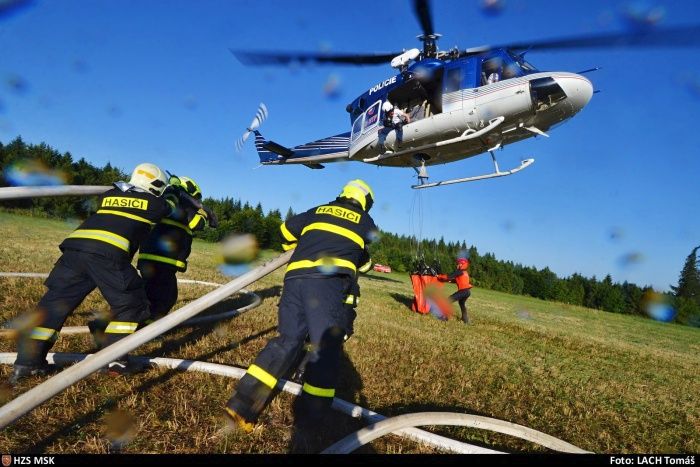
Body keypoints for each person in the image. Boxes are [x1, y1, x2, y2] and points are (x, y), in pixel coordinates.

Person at [224, 179, 377, 435]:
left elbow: (285, 232)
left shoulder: (318, 210)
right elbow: (364, 264)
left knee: (287, 341)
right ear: (365, 203)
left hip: (294, 279)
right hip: (326, 283)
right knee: (325, 348)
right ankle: (312, 418)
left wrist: (302, 248)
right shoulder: (364, 221)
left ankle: (242, 406)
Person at [10, 163, 185, 384]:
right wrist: (175, 191)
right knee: (132, 304)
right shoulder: (156, 204)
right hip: (107, 255)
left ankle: (27, 363)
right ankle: (115, 360)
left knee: (54, 304)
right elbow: (171, 205)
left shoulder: (108, 195)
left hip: (75, 249)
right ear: (157, 186)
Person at [136, 175, 212, 322]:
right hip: (164, 261)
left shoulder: (166, 201)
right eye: (197, 199)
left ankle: (138, 321)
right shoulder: (184, 204)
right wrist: (204, 212)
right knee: (166, 297)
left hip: (149, 258)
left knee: (148, 292)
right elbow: (196, 224)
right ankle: (147, 328)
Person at [437, 257, 473, 324]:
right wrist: (447, 280)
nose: (457, 265)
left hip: (462, 291)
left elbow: (448, 276)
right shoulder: (465, 272)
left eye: (458, 264)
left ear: (461, 264)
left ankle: (445, 317)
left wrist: (439, 276)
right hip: (467, 292)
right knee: (461, 303)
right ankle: (465, 319)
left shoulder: (459, 271)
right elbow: (457, 280)